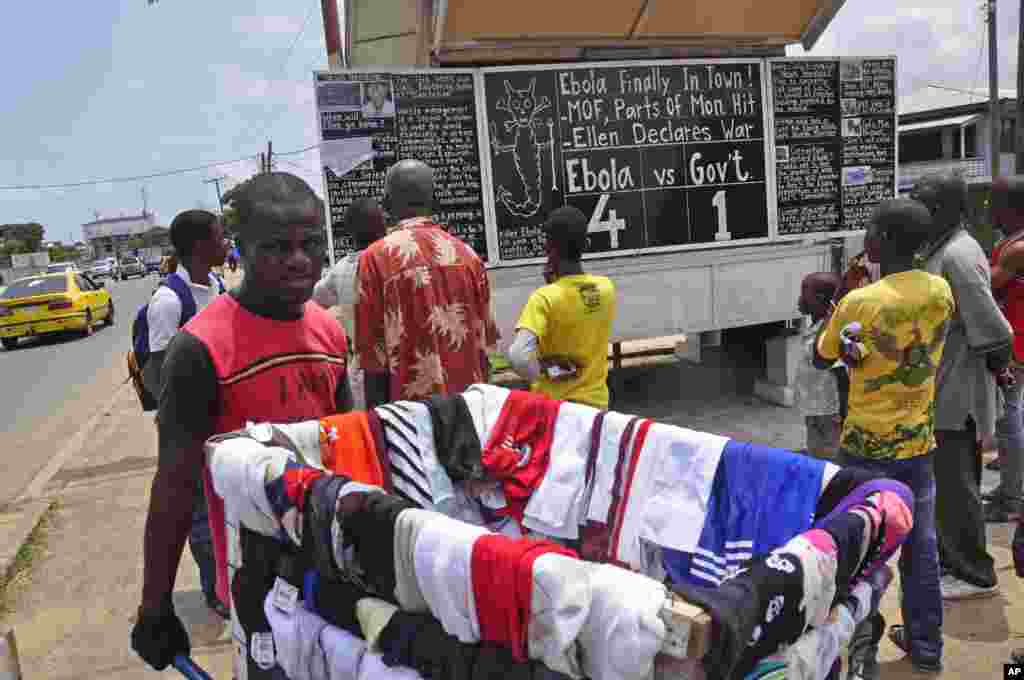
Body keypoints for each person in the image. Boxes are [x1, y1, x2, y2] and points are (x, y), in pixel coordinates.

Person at [130, 172, 354, 674]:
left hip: (332, 566)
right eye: (278, 246)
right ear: (242, 250)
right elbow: (173, 486)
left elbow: (348, 451)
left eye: (311, 244)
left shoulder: (330, 334)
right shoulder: (199, 348)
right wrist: (155, 604)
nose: (300, 258)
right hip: (255, 578)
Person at [815, 198, 952, 675]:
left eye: (870, 229)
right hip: (918, 446)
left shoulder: (861, 301)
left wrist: (849, 337)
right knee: (921, 548)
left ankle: (859, 655)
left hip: (865, 448)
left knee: (858, 552)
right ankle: (927, 646)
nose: (865, 237)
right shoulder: (939, 290)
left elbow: (823, 352)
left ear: (883, 241)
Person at [912, 171, 1013, 601]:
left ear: (944, 211)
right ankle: (956, 559)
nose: (915, 211)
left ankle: (973, 572)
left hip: (957, 394)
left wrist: (994, 379)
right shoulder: (940, 249)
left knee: (956, 488)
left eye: (923, 204)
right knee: (949, 485)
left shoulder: (957, 256)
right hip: (942, 390)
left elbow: (995, 332)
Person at [140, 209, 228, 619]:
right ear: (198, 246)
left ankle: (229, 585)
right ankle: (215, 592)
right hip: (189, 427)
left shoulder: (217, 284)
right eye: (219, 236)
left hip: (224, 420)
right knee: (199, 514)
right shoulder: (168, 301)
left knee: (226, 507)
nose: (226, 243)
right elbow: (159, 373)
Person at [355, 159, 498, 407]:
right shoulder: (469, 256)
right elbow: (484, 349)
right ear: (436, 202)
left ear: (386, 204)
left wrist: (377, 431)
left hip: (409, 420)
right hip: (467, 412)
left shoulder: (376, 258)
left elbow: (373, 360)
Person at [505, 206, 616, 409]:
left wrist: (545, 370)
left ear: (548, 248)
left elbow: (519, 357)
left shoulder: (544, 298)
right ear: (586, 245)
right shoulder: (606, 289)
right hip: (598, 410)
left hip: (557, 413)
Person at [313, 197, 388, 409]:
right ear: (383, 226)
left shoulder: (340, 270)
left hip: (360, 372)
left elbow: (311, 303)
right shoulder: (394, 261)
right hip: (400, 371)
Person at [985, 175, 1024, 521]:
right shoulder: (1011, 242)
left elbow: (985, 289)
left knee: (1009, 420)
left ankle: (1012, 498)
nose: (988, 209)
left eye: (993, 202)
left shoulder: (1016, 249)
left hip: (1017, 345)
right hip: (1016, 338)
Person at [795, 272, 843, 461]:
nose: (800, 298)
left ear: (820, 298)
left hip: (829, 413)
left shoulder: (831, 331)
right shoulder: (815, 326)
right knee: (816, 454)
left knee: (830, 459)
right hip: (814, 409)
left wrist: (842, 415)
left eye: (805, 292)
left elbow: (842, 374)